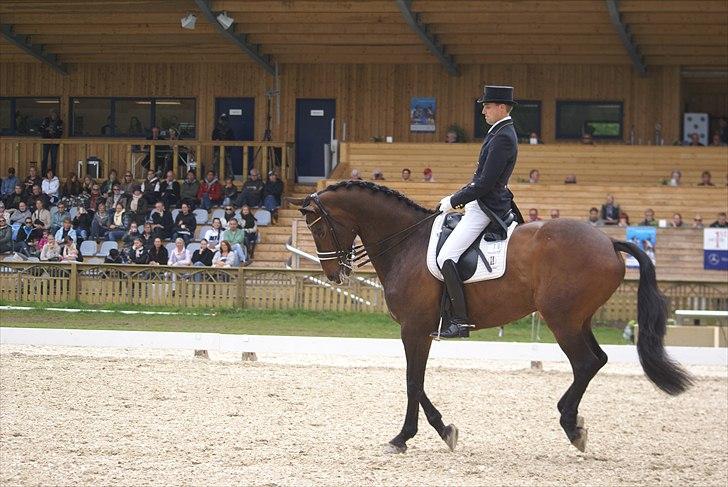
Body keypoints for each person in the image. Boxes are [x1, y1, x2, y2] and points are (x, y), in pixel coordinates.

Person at [435, 85, 519, 339]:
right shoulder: (499, 131)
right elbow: (480, 178)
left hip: (486, 207)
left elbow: (484, 183)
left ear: (501, 107)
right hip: (480, 202)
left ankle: (459, 320)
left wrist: (454, 200)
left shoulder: (503, 136)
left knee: (446, 257)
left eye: (487, 106)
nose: (483, 111)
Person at [40, 109, 63, 176]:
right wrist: (47, 129)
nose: (53, 115)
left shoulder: (59, 122)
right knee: (44, 158)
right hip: (46, 140)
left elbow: (61, 132)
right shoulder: (46, 120)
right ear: (50, 114)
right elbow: (41, 129)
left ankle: (53, 174)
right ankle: (43, 174)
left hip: (54, 142)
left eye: (55, 113)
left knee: (53, 159)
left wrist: (55, 132)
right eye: (52, 113)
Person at [211, 114, 234, 178]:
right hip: (217, 149)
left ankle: (230, 176)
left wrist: (228, 143)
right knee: (215, 163)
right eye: (222, 120)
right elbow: (213, 139)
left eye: (225, 120)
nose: (223, 122)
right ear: (219, 120)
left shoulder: (229, 130)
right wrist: (216, 140)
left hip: (227, 149)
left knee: (228, 163)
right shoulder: (216, 130)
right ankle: (215, 175)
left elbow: (233, 139)